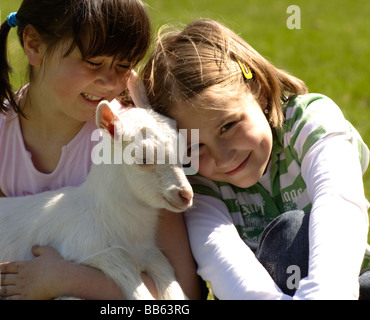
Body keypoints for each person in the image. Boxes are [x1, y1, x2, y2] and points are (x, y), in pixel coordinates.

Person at [0, 0, 200, 300]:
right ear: (33, 45)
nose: (110, 81)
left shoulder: (128, 141)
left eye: (123, 65)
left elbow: (184, 291)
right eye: (94, 62)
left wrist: (68, 280)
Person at [141, 18, 370, 299]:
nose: (223, 158)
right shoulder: (197, 179)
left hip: (346, 282)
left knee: (296, 230)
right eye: (195, 147)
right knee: (289, 234)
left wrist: (325, 293)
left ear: (258, 91)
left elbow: (339, 201)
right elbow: (216, 248)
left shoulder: (308, 121)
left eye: (228, 126)